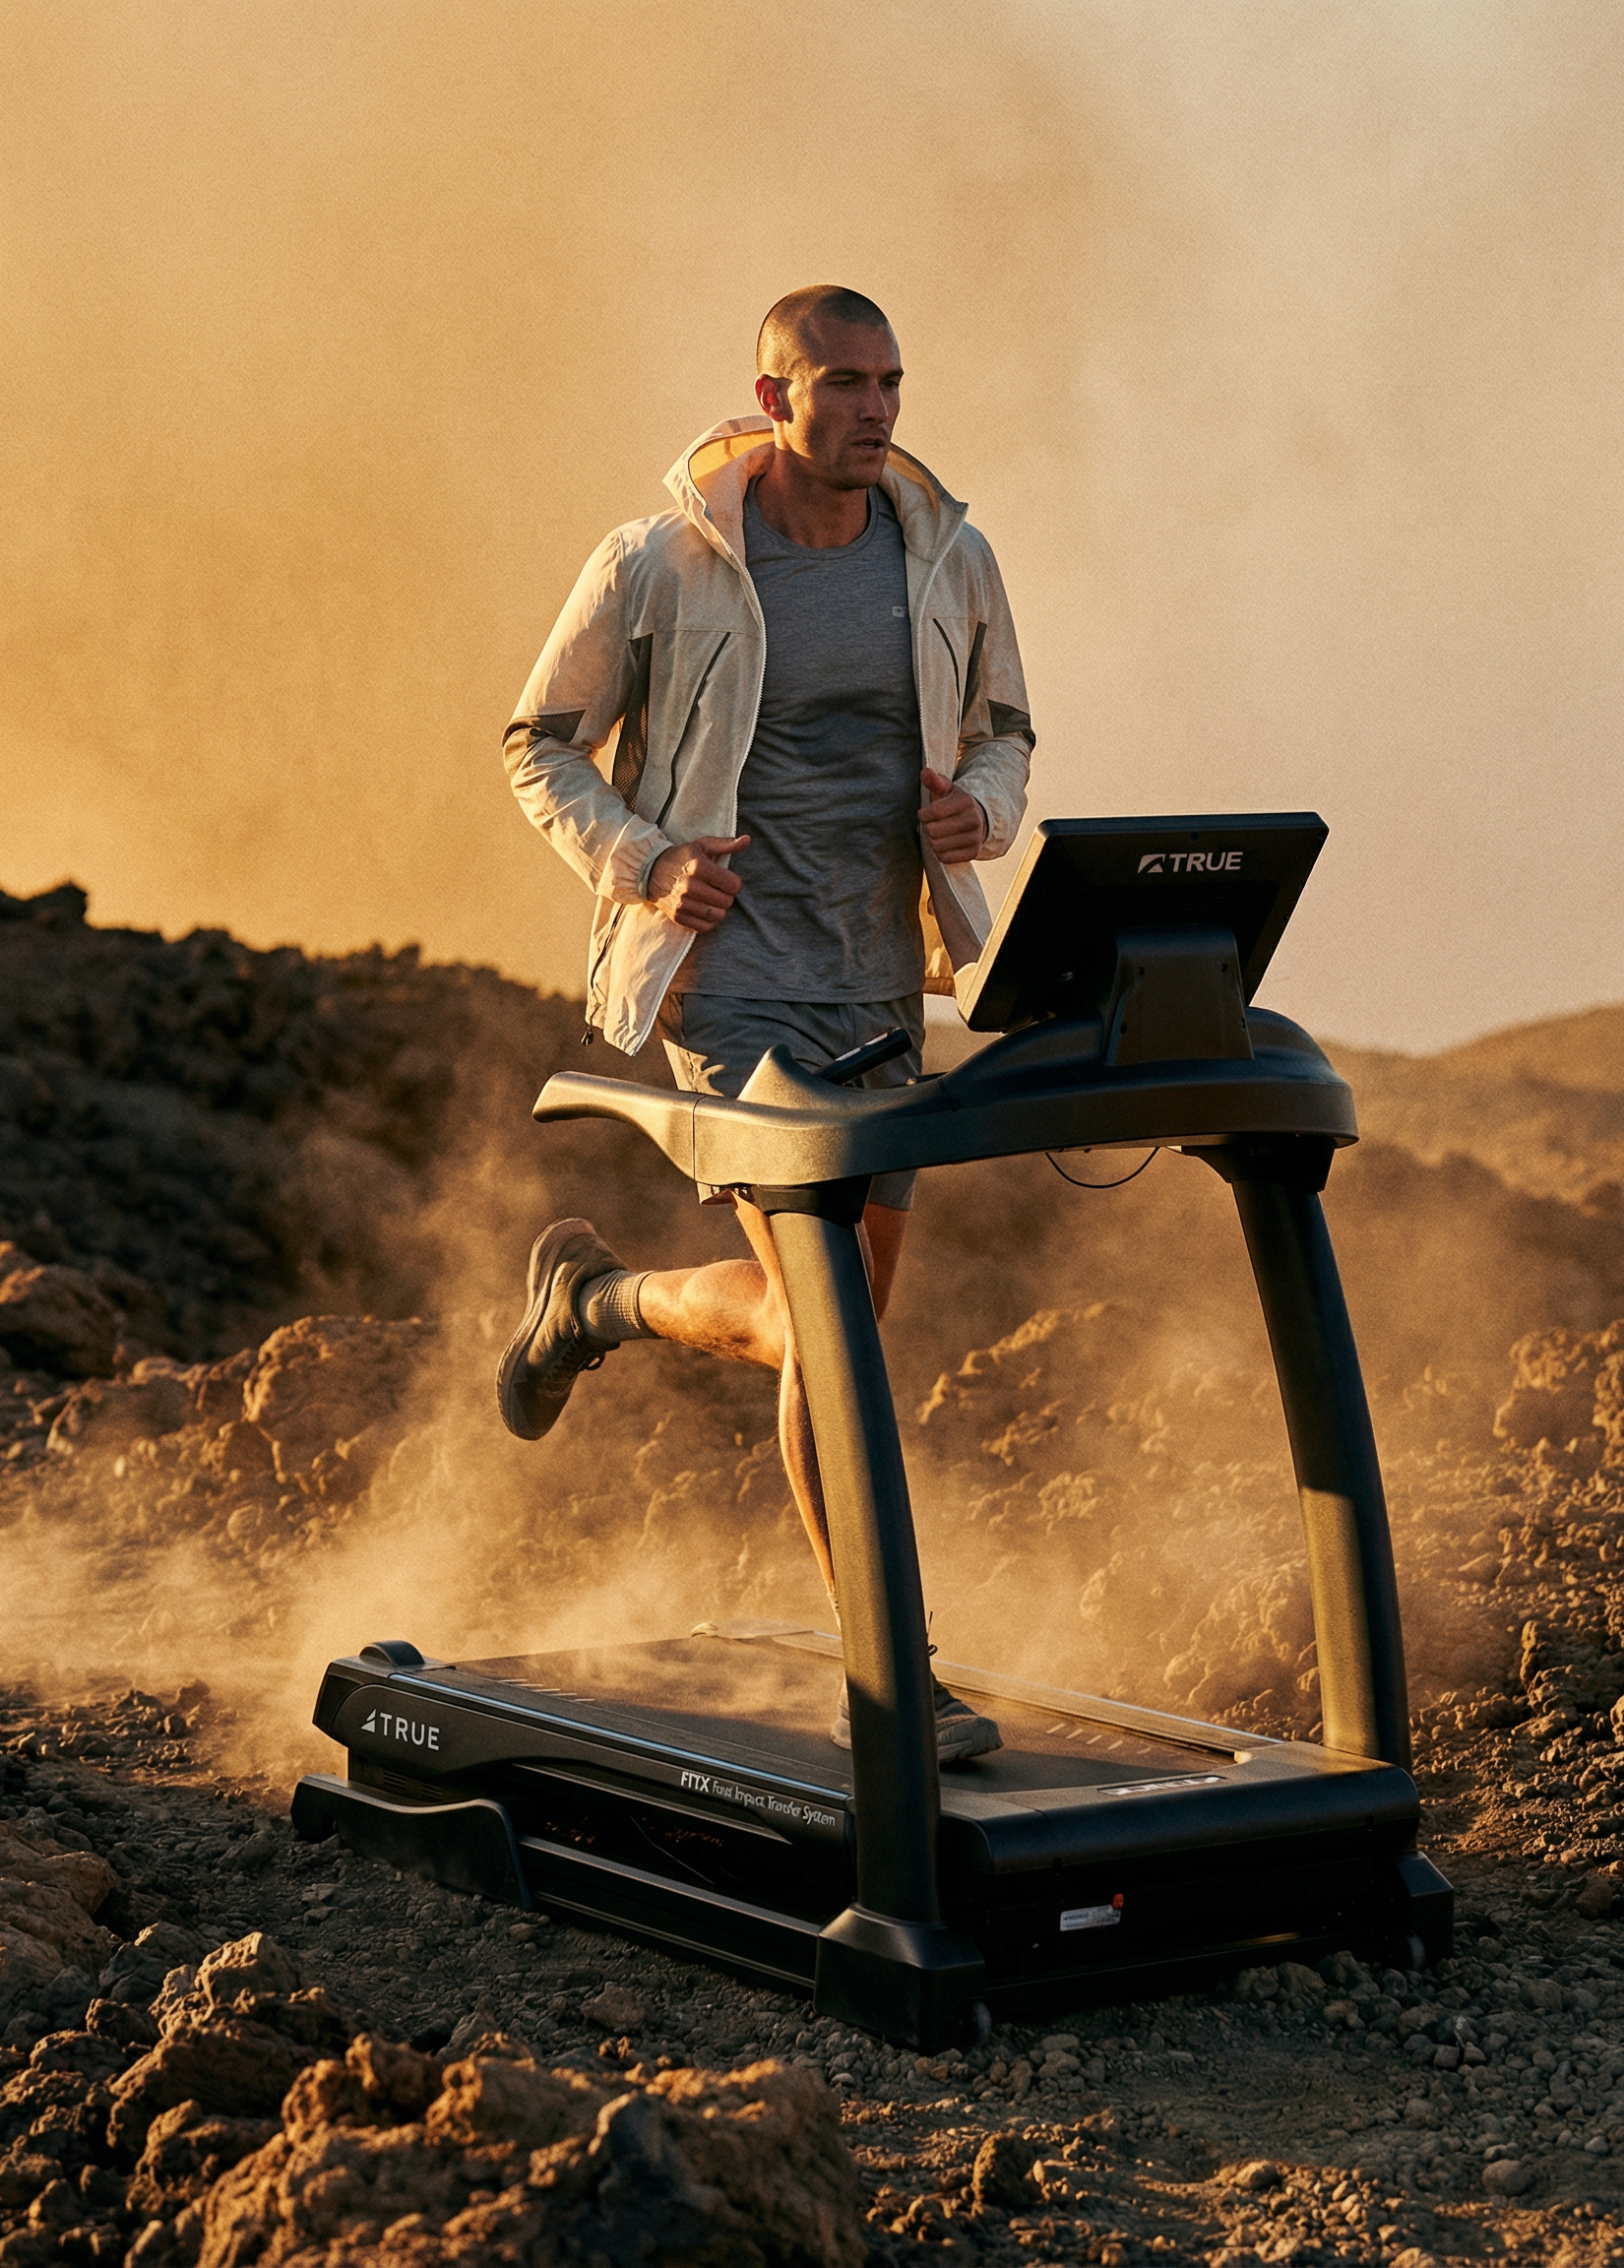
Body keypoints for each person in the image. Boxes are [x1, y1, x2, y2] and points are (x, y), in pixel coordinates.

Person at [498, 285, 1032, 1760]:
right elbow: (538, 744)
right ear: (773, 396)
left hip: (882, 980)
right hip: (730, 982)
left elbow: (1005, 732)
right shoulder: (662, 561)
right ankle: (893, 1671)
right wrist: (644, 859)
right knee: (832, 1328)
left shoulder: (950, 556)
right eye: (845, 382)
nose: (876, 410)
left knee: (838, 1323)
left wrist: (979, 813)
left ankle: (597, 1302)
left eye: (892, 382)